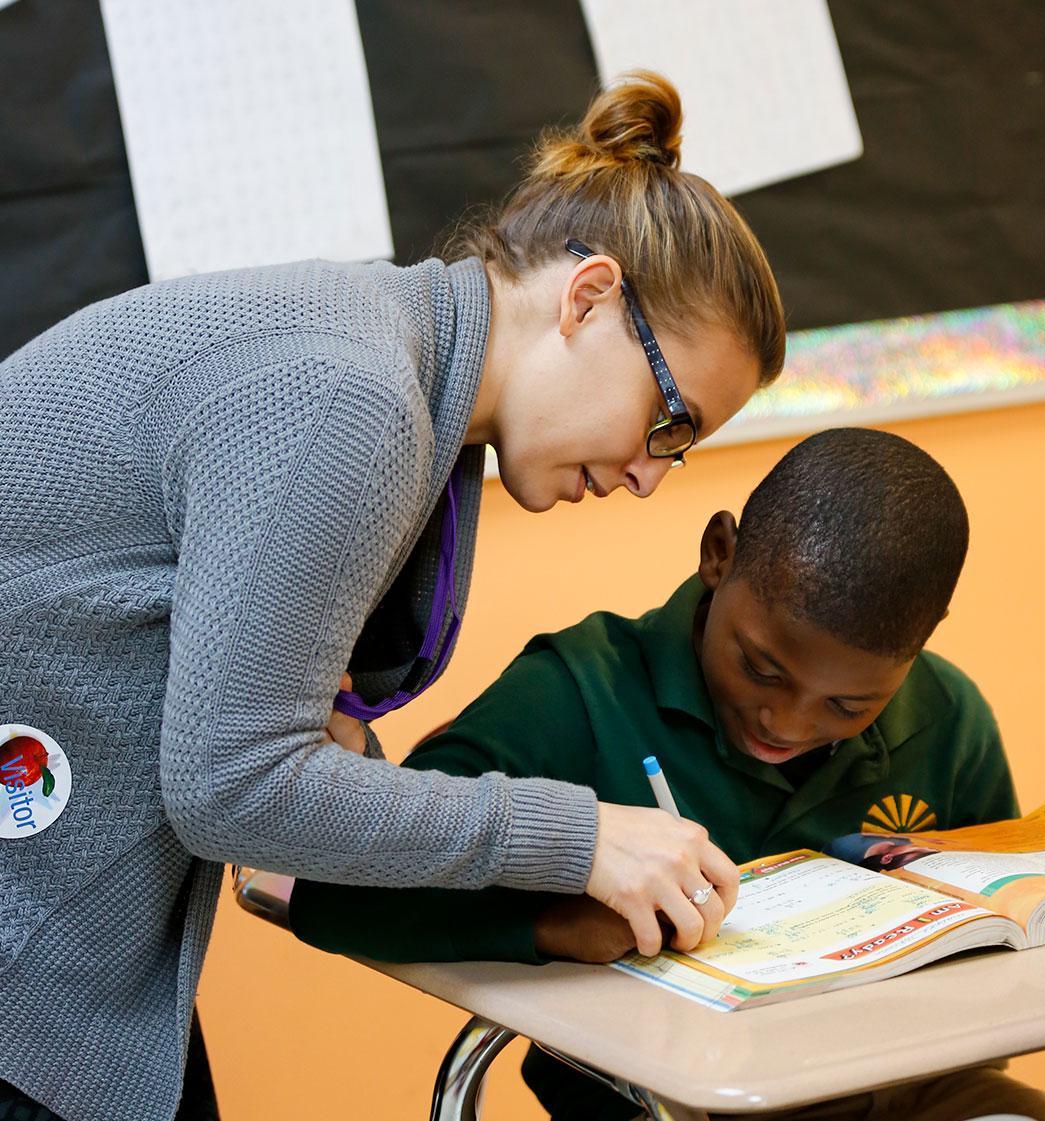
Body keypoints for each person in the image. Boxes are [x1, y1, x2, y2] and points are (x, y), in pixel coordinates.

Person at [0, 71, 786, 1121]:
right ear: (588, 298)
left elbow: (278, 746)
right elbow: (233, 786)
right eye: (669, 420)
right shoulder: (352, 398)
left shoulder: (396, 363)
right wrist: (585, 837)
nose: (650, 474)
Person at [289, 429, 1045, 1121]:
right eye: (760, 668)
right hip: (660, 1099)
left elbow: (1002, 947)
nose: (788, 722)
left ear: (920, 646)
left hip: (907, 1091)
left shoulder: (948, 717)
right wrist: (550, 924)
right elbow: (339, 896)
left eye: (847, 703)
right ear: (719, 554)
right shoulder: (574, 695)